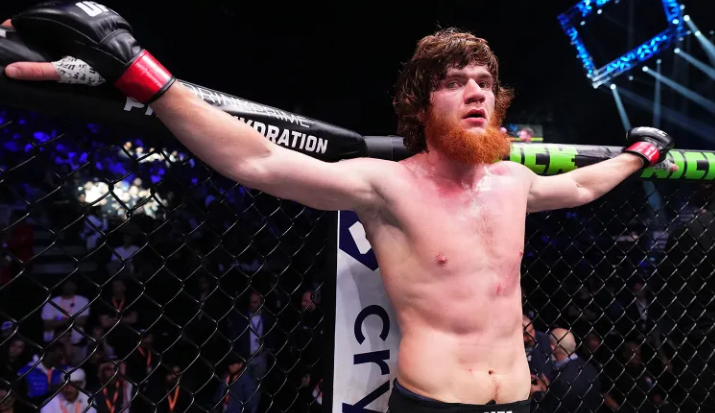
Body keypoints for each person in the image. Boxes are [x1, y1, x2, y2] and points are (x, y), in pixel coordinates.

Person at [2, 4, 677, 412]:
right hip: (434, 403)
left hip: (521, 398)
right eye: (454, 82)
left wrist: (638, 154)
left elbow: (582, 186)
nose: (476, 92)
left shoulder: (511, 181)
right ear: (420, 105)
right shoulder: (387, 185)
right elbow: (258, 162)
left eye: (484, 82)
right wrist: (140, 72)